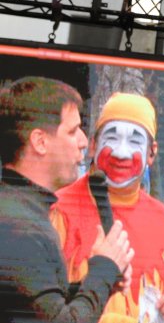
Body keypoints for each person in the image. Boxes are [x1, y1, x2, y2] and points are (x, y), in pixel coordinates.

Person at [50, 92, 164, 323]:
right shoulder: (60, 211)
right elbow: (44, 305)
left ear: (152, 153)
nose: (120, 152)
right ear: (94, 145)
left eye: (135, 140)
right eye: (112, 138)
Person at [0, 77, 134, 322]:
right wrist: (103, 269)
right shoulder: (18, 227)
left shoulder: (20, 213)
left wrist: (99, 281)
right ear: (40, 141)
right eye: (73, 131)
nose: (84, 142)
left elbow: (35, 305)